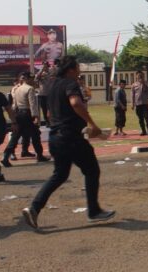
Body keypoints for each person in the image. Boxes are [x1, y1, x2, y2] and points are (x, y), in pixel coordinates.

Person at [22, 55, 115, 230]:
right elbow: (76, 103)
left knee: (60, 175)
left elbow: (49, 114)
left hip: (55, 137)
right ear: (71, 69)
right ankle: (93, 211)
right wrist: (92, 124)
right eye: (78, 68)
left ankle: (33, 208)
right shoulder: (70, 84)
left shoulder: (51, 85)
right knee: (92, 170)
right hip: (71, 137)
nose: (79, 71)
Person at [2, 72, 49, 166]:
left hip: (19, 114)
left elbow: (14, 104)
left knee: (15, 136)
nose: (33, 80)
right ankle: (40, 155)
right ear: (27, 79)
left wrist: (14, 117)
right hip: (27, 114)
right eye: (31, 78)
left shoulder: (16, 89)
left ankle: (6, 156)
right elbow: (32, 104)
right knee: (35, 134)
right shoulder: (30, 88)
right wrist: (35, 116)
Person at [131, 71, 148, 136]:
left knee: (147, 117)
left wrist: (143, 83)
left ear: (143, 76)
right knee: (140, 118)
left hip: (145, 104)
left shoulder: (146, 83)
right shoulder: (134, 85)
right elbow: (132, 95)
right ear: (136, 76)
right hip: (138, 104)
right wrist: (132, 104)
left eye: (141, 75)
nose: (139, 76)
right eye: (138, 75)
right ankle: (143, 131)